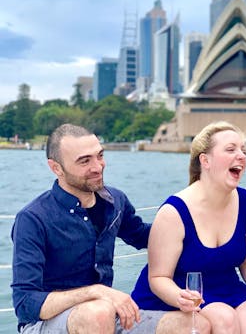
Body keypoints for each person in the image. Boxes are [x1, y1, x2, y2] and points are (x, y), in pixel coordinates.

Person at [11, 123, 197, 334]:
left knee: (194, 324)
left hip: (105, 314)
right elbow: (26, 303)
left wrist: (194, 220)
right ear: (56, 168)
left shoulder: (115, 200)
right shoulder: (33, 218)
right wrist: (97, 293)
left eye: (99, 155)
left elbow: (143, 236)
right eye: (84, 161)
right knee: (97, 313)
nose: (98, 167)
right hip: (46, 323)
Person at [130, 121, 246, 334]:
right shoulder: (173, 212)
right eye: (231, 149)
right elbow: (158, 278)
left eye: (243, 150)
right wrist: (181, 298)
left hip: (227, 287)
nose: (242, 156)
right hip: (179, 293)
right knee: (224, 319)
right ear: (205, 160)